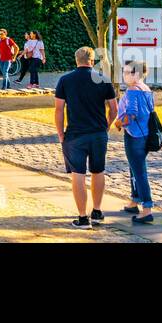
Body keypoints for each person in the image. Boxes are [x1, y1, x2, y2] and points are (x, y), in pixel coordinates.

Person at [54, 46, 118, 228]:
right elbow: (114, 109)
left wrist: (60, 134)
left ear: (76, 60)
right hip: (98, 133)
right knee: (98, 171)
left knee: (78, 173)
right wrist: (106, 126)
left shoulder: (65, 80)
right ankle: (97, 211)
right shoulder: (103, 80)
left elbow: (59, 110)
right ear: (92, 61)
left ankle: (82, 217)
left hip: (75, 134)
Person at [115, 60, 155, 224]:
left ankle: (147, 208)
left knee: (139, 171)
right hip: (145, 134)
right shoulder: (145, 89)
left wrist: (118, 123)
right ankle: (134, 200)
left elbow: (131, 113)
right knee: (134, 169)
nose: (124, 75)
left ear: (137, 74)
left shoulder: (132, 90)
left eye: (128, 72)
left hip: (135, 135)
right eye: (124, 72)